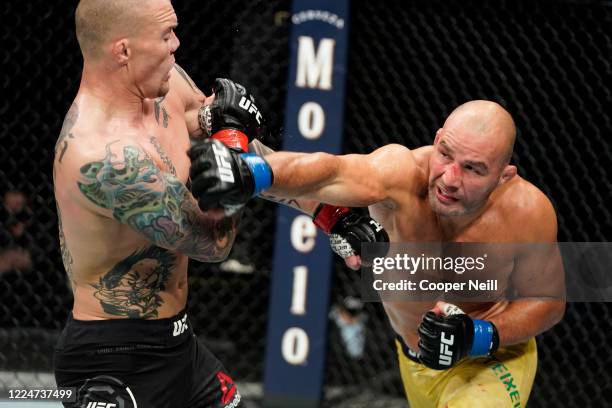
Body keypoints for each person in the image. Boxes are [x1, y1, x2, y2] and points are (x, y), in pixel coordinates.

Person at [190, 100, 566, 407]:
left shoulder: (527, 211)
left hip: (491, 359)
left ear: (504, 175)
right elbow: (330, 173)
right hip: (414, 360)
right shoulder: (403, 175)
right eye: (445, 154)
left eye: (473, 169)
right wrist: (251, 170)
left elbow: (550, 304)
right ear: (436, 140)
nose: (450, 178)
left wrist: (479, 335)